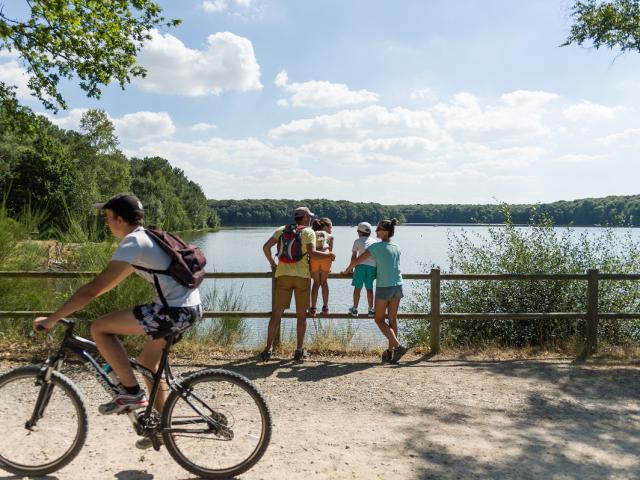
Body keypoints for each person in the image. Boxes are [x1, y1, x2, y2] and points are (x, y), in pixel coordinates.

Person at [33, 193, 203, 449]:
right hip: (189, 308)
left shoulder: (133, 243)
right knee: (147, 363)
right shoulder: (146, 237)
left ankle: (132, 394)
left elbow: (93, 290)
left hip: (173, 311)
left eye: (108, 217)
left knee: (99, 328)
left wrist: (52, 319)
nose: (106, 223)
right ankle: (165, 430)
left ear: (121, 219)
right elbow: (105, 286)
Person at [261, 207, 335, 361]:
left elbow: (266, 247)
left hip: (283, 275)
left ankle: (268, 349)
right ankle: (299, 351)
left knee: (276, 315)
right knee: (301, 316)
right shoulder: (308, 232)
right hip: (302, 277)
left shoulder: (281, 230)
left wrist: (273, 264)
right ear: (306, 217)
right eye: (309, 217)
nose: (310, 219)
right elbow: (313, 253)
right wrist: (330, 255)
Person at [342, 218, 407, 364]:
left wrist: (347, 270)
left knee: (378, 319)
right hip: (398, 286)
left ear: (385, 231)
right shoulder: (396, 246)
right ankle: (391, 352)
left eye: (378, 229)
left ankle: (397, 346)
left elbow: (357, 261)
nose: (376, 231)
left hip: (385, 287)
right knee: (392, 319)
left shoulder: (375, 248)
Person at [347, 222, 377, 317]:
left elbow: (354, 256)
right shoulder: (375, 242)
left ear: (360, 232)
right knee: (369, 288)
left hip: (360, 266)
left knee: (357, 288)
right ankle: (371, 309)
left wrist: (351, 268)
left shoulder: (357, 241)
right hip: (372, 267)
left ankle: (355, 309)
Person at [309, 217, 334, 317]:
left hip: (314, 258)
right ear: (324, 226)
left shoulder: (312, 234)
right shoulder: (330, 236)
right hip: (326, 258)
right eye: (330, 227)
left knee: (315, 283)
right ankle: (325, 308)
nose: (331, 229)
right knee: (324, 282)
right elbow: (330, 252)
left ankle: (313, 308)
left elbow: (309, 250)